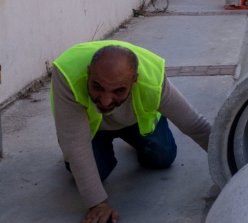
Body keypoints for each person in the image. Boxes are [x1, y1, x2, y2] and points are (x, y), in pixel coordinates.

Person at [50, 41, 211, 223]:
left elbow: (195, 125)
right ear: (88, 72)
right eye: (97, 87)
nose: (105, 101)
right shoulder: (67, 74)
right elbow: (75, 145)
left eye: (118, 90)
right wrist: (98, 203)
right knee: (93, 171)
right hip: (92, 128)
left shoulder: (152, 79)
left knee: (163, 157)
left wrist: (230, 160)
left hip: (134, 121)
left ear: (135, 80)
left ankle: (138, 135)